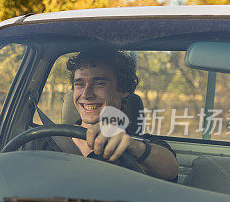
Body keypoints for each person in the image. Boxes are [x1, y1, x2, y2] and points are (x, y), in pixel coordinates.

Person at [49, 46, 179, 181]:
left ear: (124, 89)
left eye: (99, 83)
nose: (86, 94)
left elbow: (171, 169)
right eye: (79, 84)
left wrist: (132, 146)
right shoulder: (48, 139)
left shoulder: (139, 144)